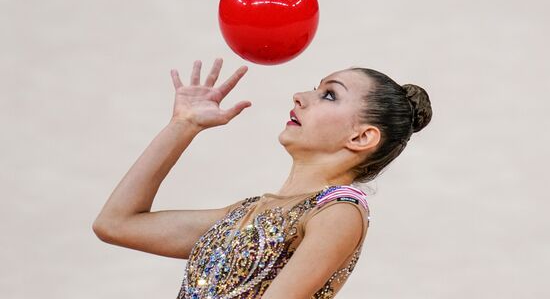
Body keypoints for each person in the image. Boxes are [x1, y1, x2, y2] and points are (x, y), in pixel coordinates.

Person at [92, 57, 433, 299]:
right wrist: (184, 125)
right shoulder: (247, 213)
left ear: (361, 138)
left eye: (329, 94)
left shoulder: (339, 211)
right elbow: (115, 223)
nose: (300, 96)